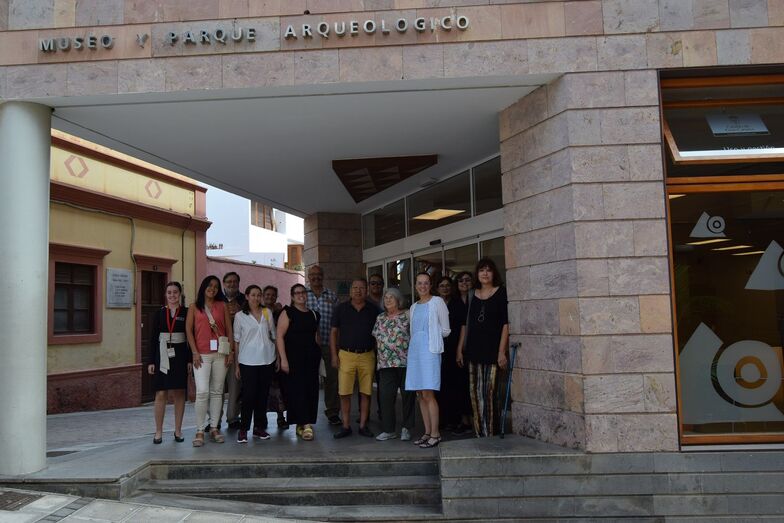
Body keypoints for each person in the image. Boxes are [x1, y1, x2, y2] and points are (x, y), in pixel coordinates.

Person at [457, 258, 509, 437]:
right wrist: (459, 349)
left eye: (488, 270)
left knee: (489, 393)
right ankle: (480, 432)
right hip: (473, 350)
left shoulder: (501, 293)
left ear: (494, 273)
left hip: (492, 351)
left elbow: (505, 324)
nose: (485, 273)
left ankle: (491, 433)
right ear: (477, 274)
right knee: (475, 393)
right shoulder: (472, 294)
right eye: (481, 270)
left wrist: (502, 351)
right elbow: (465, 324)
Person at [186, 275, 234, 447]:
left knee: (217, 391)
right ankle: (200, 430)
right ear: (203, 286)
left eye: (215, 286)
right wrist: (194, 352)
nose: (212, 288)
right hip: (202, 355)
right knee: (202, 392)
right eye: (209, 285)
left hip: (220, 354)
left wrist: (231, 352)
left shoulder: (223, 305)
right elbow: (189, 331)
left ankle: (214, 427)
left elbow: (229, 329)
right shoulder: (194, 307)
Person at [330, 278, 381, 439]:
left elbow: (380, 333)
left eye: (361, 288)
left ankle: (363, 425)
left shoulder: (374, 310)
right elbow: (333, 333)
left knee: (366, 392)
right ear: (350, 290)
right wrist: (333, 355)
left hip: (367, 355)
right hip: (346, 355)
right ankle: (345, 426)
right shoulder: (340, 309)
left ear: (366, 291)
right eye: (355, 287)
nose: (358, 290)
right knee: (344, 392)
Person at [406, 272, 450, 448]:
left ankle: (435, 433)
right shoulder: (413, 307)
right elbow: (412, 330)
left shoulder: (437, 302)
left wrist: (430, 337)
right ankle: (427, 431)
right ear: (415, 286)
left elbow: (446, 330)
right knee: (420, 395)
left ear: (430, 285)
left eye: (426, 283)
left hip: (430, 351)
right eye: (419, 283)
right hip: (415, 352)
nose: (422, 286)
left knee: (429, 394)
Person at [276, 283, 322, 441]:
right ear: (292, 296)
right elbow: (279, 336)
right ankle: (306, 424)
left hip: (311, 359)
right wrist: (283, 360)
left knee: (311, 391)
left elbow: (316, 336)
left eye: (303, 292)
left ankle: (302, 425)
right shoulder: (287, 312)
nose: (301, 295)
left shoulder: (314, 314)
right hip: (293, 359)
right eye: (297, 293)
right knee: (297, 392)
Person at [147, 281, 190, 444]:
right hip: (162, 355)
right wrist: (151, 361)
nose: (172, 295)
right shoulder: (158, 314)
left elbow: (190, 337)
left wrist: (189, 360)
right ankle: (158, 431)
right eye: (169, 292)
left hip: (180, 355)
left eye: (175, 292)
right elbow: (152, 338)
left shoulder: (186, 312)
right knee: (161, 393)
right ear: (165, 295)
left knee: (179, 392)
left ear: (180, 294)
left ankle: (178, 430)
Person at [233, 285, 277, 443]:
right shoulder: (240, 316)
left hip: (267, 360)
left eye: (259, 295)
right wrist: (237, 364)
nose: (257, 298)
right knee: (249, 396)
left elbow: (274, 335)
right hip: (247, 361)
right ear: (247, 296)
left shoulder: (267, 312)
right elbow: (236, 341)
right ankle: (243, 429)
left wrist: (277, 357)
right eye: (253, 295)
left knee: (262, 395)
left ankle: (259, 428)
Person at [372, 287, 415, 441]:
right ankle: (389, 429)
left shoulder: (408, 315)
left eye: (391, 297)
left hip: (406, 363)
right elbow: (376, 338)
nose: (388, 300)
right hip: (385, 364)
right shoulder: (380, 318)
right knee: (385, 397)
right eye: (386, 298)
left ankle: (406, 428)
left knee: (407, 396)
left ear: (399, 300)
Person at [305, 265, 341, 425]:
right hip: (308, 347)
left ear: (323, 276)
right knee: (308, 380)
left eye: (319, 275)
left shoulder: (332, 296)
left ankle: (333, 412)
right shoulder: (302, 295)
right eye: (312, 275)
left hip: (329, 345)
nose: (316, 278)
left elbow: (338, 322)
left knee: (332, 380)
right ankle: (306, 413)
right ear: (308, 277)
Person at [436, 276, 471, 435]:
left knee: (457, 385)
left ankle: (460, 420)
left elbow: (463, 326)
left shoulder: (457, 303)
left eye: (447, 285)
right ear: (437, 289)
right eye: (441, 286)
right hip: (438, 350)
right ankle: (444, 419)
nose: (445, 288)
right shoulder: (434, 304)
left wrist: (459, 349)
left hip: (455, 349)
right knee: (441, 386)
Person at [220, 271, 245, 430]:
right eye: (228, 281)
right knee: (216, 387)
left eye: (235, 282)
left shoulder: (244, 300)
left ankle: (233, 418)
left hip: (238, 349)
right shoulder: (216, 299)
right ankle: (213, 420)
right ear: (224, 283)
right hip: (218, 349)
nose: (232, 284)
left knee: (235, 385)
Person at [263, 285, 288, 429]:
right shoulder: (258, 311)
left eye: (273, 295)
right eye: (267, 295)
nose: (270, 297)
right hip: (262, 354)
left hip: (277, 352)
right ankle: (263, 417)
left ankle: (280, 417)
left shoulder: (280, 313)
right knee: (264, 389)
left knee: (278, 387)